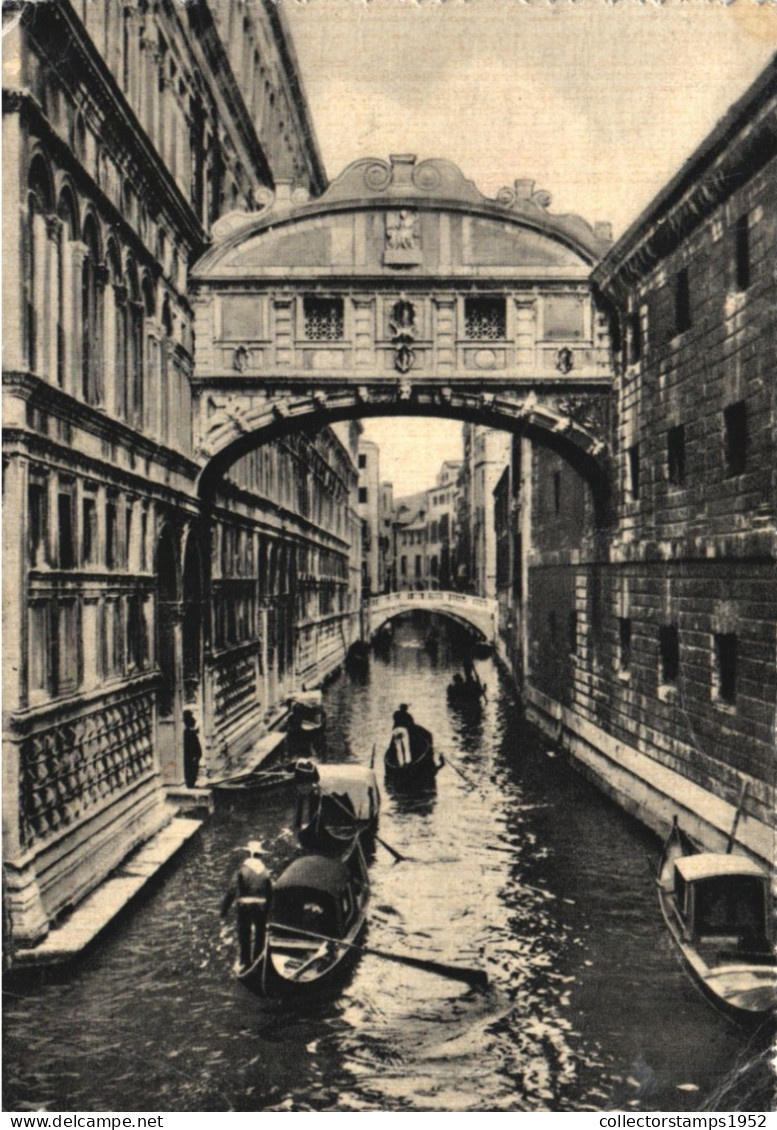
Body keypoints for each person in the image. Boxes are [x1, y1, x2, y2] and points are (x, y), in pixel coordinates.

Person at [221, 841, 273, 970]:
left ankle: (245, 961)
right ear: (259, 855)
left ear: (249, 854)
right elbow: (270, 893)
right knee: (260, 933)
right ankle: (258, 959)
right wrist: (268, 911)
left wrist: (224, 910)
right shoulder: (266, 872)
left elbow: (232, 890)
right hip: (261, 906)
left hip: (245, 906)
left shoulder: (242, 870)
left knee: (244, 932)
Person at [183, 710, 202, 788]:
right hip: (191, 757)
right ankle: (190, 784)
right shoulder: (188, 733)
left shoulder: (188, 732)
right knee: (191, 770)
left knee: (192, 769)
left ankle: (191, 784)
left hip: (193, 756)